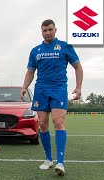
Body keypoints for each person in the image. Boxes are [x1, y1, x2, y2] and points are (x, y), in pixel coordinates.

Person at [20, 19, 83, 176]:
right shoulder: (36, 50)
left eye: (50, 30)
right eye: (44, 30)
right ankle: (48, 159)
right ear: (41, 32)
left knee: (58, 121)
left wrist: (78, 86)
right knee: (42, 124)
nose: (47, 32)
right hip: (41, 89)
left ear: (55, 30)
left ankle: (60, 162)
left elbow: (77, 66)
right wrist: (24, 87)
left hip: (59, 89)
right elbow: (30, 71)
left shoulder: (65, 46)